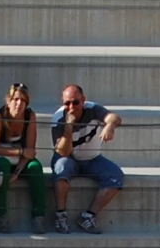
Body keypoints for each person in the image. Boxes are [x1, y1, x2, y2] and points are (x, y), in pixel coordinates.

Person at [51, 84, 123, 234]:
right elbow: (63, 152)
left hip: (92, 159)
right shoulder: (58, 118)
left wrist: (110, 125)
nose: (71, 107)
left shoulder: (93, 109)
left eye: (75, 102)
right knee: (61, 170)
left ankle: (88, 216)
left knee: (116, 176)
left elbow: (115, 117)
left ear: (83, 100)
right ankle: (61, 216)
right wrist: (69, 127)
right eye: (67, 103)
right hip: (69, 158)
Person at [0, 82, 46, 234]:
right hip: (1, 155)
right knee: (3, 169)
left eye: (23, 100)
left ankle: (39, 216)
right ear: (8, 100)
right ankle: (0, 215)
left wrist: (18, 171)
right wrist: (19, 152)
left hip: (21, 159)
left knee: (36, 168)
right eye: (15, 99)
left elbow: (30, 151)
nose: (19, 104)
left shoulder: (30, 116)